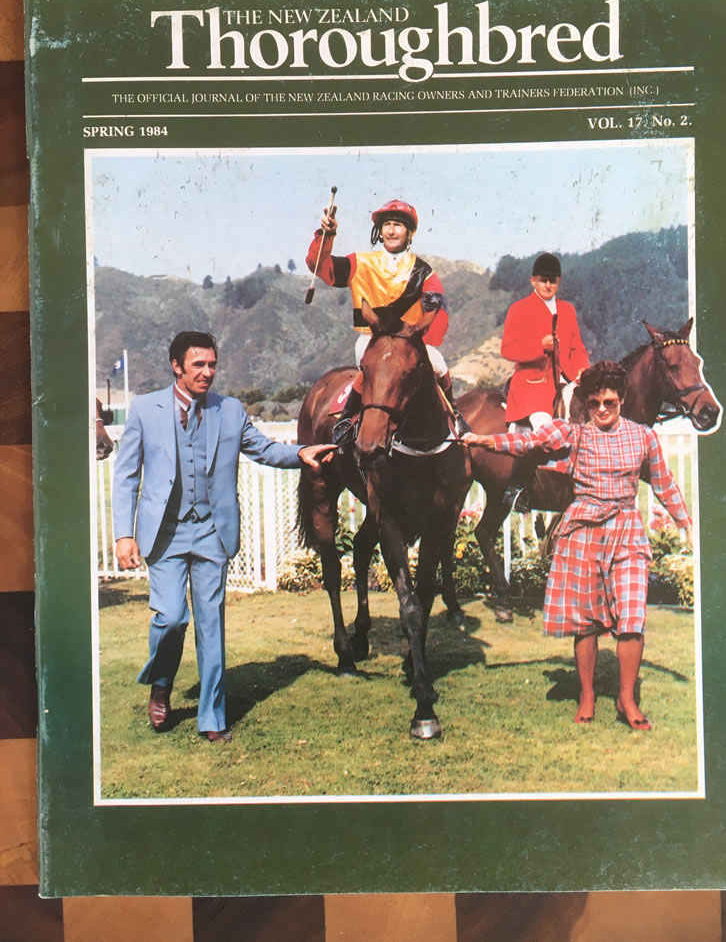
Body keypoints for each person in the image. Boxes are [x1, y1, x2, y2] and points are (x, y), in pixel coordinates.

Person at [112, 331, 335, 743]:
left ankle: (212, 718)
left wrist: (300, 453)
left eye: (212, 364)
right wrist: (123, 534)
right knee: (171, 618)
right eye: (199, 365)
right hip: (164, 534)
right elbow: (125, 474)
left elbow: (264, 449)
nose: (208, 372)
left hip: (212, 533)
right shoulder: (144, 409)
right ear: (177, 366)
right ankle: (161, 681)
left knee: (211, 626)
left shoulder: (229, 411)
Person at [461, 360, 692, 731]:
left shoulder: (643, 437)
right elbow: (527, 442)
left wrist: (683, 521)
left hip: (625, 530)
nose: (602, 410)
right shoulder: (573, 433)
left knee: (632, 617)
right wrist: (485, 440)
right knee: (585, 622)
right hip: (582, 530)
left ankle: (626, 698)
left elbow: (663, 482)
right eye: (596, 402)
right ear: (586, 402)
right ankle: (586, 694)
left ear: (622, 401)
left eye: (610, 403)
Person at [305, 198, 465, 441]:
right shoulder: (359, 262)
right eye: (387, 224)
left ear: (410, 232)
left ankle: (453, 415)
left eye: (398, 225)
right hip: (371, 339)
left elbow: (436, 312)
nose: (391, 230)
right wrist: (326, 235)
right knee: (373, 370)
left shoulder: (424, 271)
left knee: (439, 364)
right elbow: (321, 267)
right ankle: (348, 419)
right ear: (379, 231)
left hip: (409, 342)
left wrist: (422, 340)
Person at [500, 251, 589, 509]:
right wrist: (539, 346)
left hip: (566, 381)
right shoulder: (519, 309)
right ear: (533, 281)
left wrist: (583, 368)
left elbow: (577, 348)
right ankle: (516, 488)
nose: (548, 285)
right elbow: (508, 349)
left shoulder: (568, 310)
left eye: (552, 280)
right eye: (543, 280)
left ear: (559, 281)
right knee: (544, 429)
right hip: (532, 385)